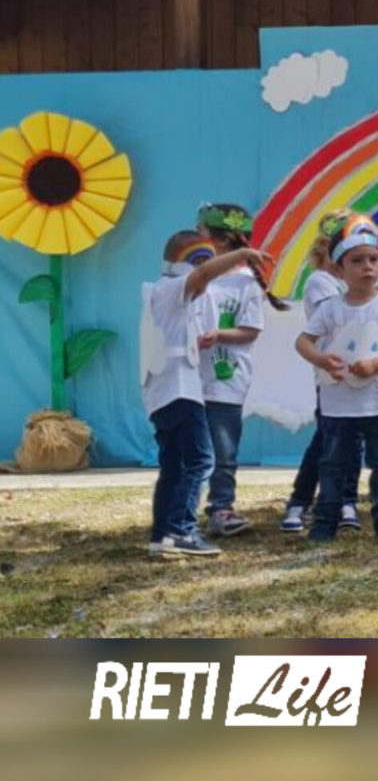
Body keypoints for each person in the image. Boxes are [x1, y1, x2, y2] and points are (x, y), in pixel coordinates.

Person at [141, 232, 272, 558]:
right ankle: (181, 530)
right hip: (180, 390)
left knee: (173, 466)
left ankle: (162, 535)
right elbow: (201, 275)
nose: (209, 273)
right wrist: (241, 254)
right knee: (200, 460)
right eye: (202, 261)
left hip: (162, 392)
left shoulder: (163, 293)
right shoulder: (172, 288)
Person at [294, 215, 378, 542]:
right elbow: (303, 342)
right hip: (339, 404)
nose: (367, 267)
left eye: (373, 260)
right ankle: (325, 521)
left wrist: (376, 365)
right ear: (339, 268)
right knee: (333, 464)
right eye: (357, 261)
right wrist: (322, 360)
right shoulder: (331, 308)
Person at [193, 202, 285, 538]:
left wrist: (218, 335)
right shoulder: (196, 277)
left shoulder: (246, 283)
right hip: (188, 378)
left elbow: (250, 330)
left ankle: (221, 508)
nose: (195, 238)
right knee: (190, 450)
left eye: (201, 232)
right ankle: (183, 509)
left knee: (224, 449)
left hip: (226, 381)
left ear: (219, 240)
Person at [281, 212, 362, 533]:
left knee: (353, 439)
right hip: (332, 374)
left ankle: (346, 500)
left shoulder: (355, 283)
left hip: (360, 373)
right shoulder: (320, 282)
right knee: (328, 439)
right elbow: (343, 317)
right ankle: (300, 500)